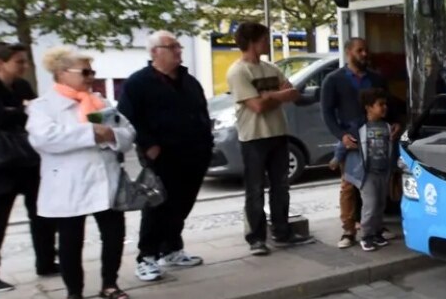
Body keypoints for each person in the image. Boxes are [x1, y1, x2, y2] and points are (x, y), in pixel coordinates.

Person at [26, 47, 134, 299]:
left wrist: (110, 134)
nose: (90, 77)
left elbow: (128, 132)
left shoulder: (100, 102)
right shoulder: (44, 106)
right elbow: (44, 138)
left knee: (113, 234)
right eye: (85, 71)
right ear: (62, 73)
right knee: (71, 241)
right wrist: (91, 133)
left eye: (92, 71)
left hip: (105, 179)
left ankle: (110, 283)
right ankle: (73, 293)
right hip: (69, 184)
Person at [118, 31, 214, 282]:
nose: (178, 51)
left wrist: (207, 140)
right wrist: (149, 144)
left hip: (194, 153)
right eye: (171, 47)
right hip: (162, 156)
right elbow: (127, 118)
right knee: (158, 205)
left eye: (178, 46)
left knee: (183, 203)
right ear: (154, 52)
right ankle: (146, 256)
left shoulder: (188, 80)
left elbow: (201, 111)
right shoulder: (138, 83)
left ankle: (171, 248)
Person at [225, 22, 314, 255]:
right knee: (255, 189)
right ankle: (256, 238)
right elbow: (256, 106)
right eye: (264, 39)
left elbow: (293, 93)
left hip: (278, 133)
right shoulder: (238, 72)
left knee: (281, 187)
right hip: (253, 137)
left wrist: (270, 95)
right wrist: (276, 96)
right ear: (253, 42)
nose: (268, 42)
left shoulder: (270, 68)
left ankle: (282, 232)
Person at [0, 42, 56, 291]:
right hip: (0, 163)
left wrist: (18, 111)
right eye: (19, 61)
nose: (24, 66)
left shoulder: (22, 85)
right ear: (0, 63)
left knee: (41, 213)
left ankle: (46, 261)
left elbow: (37, 112)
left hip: (28, 159)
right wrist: (22, 109)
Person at [321, 38, 397, 249]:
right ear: (348, 52)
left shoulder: (376, 78)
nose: (365, 54)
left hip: (376, 137)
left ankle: (375, 227)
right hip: (352, 139)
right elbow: (327, 112)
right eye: (359, 50)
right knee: (349, 184)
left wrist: (395, 123)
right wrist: (341, 135)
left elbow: (388, 102)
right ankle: (348, 229)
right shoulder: (333, 80)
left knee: (377, 188)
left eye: (366, 50)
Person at [337, 88, 396, 252]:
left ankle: (377, 232)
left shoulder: (388, 126)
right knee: (370, 205)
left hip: (383, 171)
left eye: (385, 104)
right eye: (380, 104)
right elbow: (344, 142)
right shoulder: (359, 126)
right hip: (366, 173)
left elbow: (392, 147)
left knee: (380, 204)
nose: (385, 107)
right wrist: (336, 158)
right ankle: (366, 236)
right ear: (368, 107)